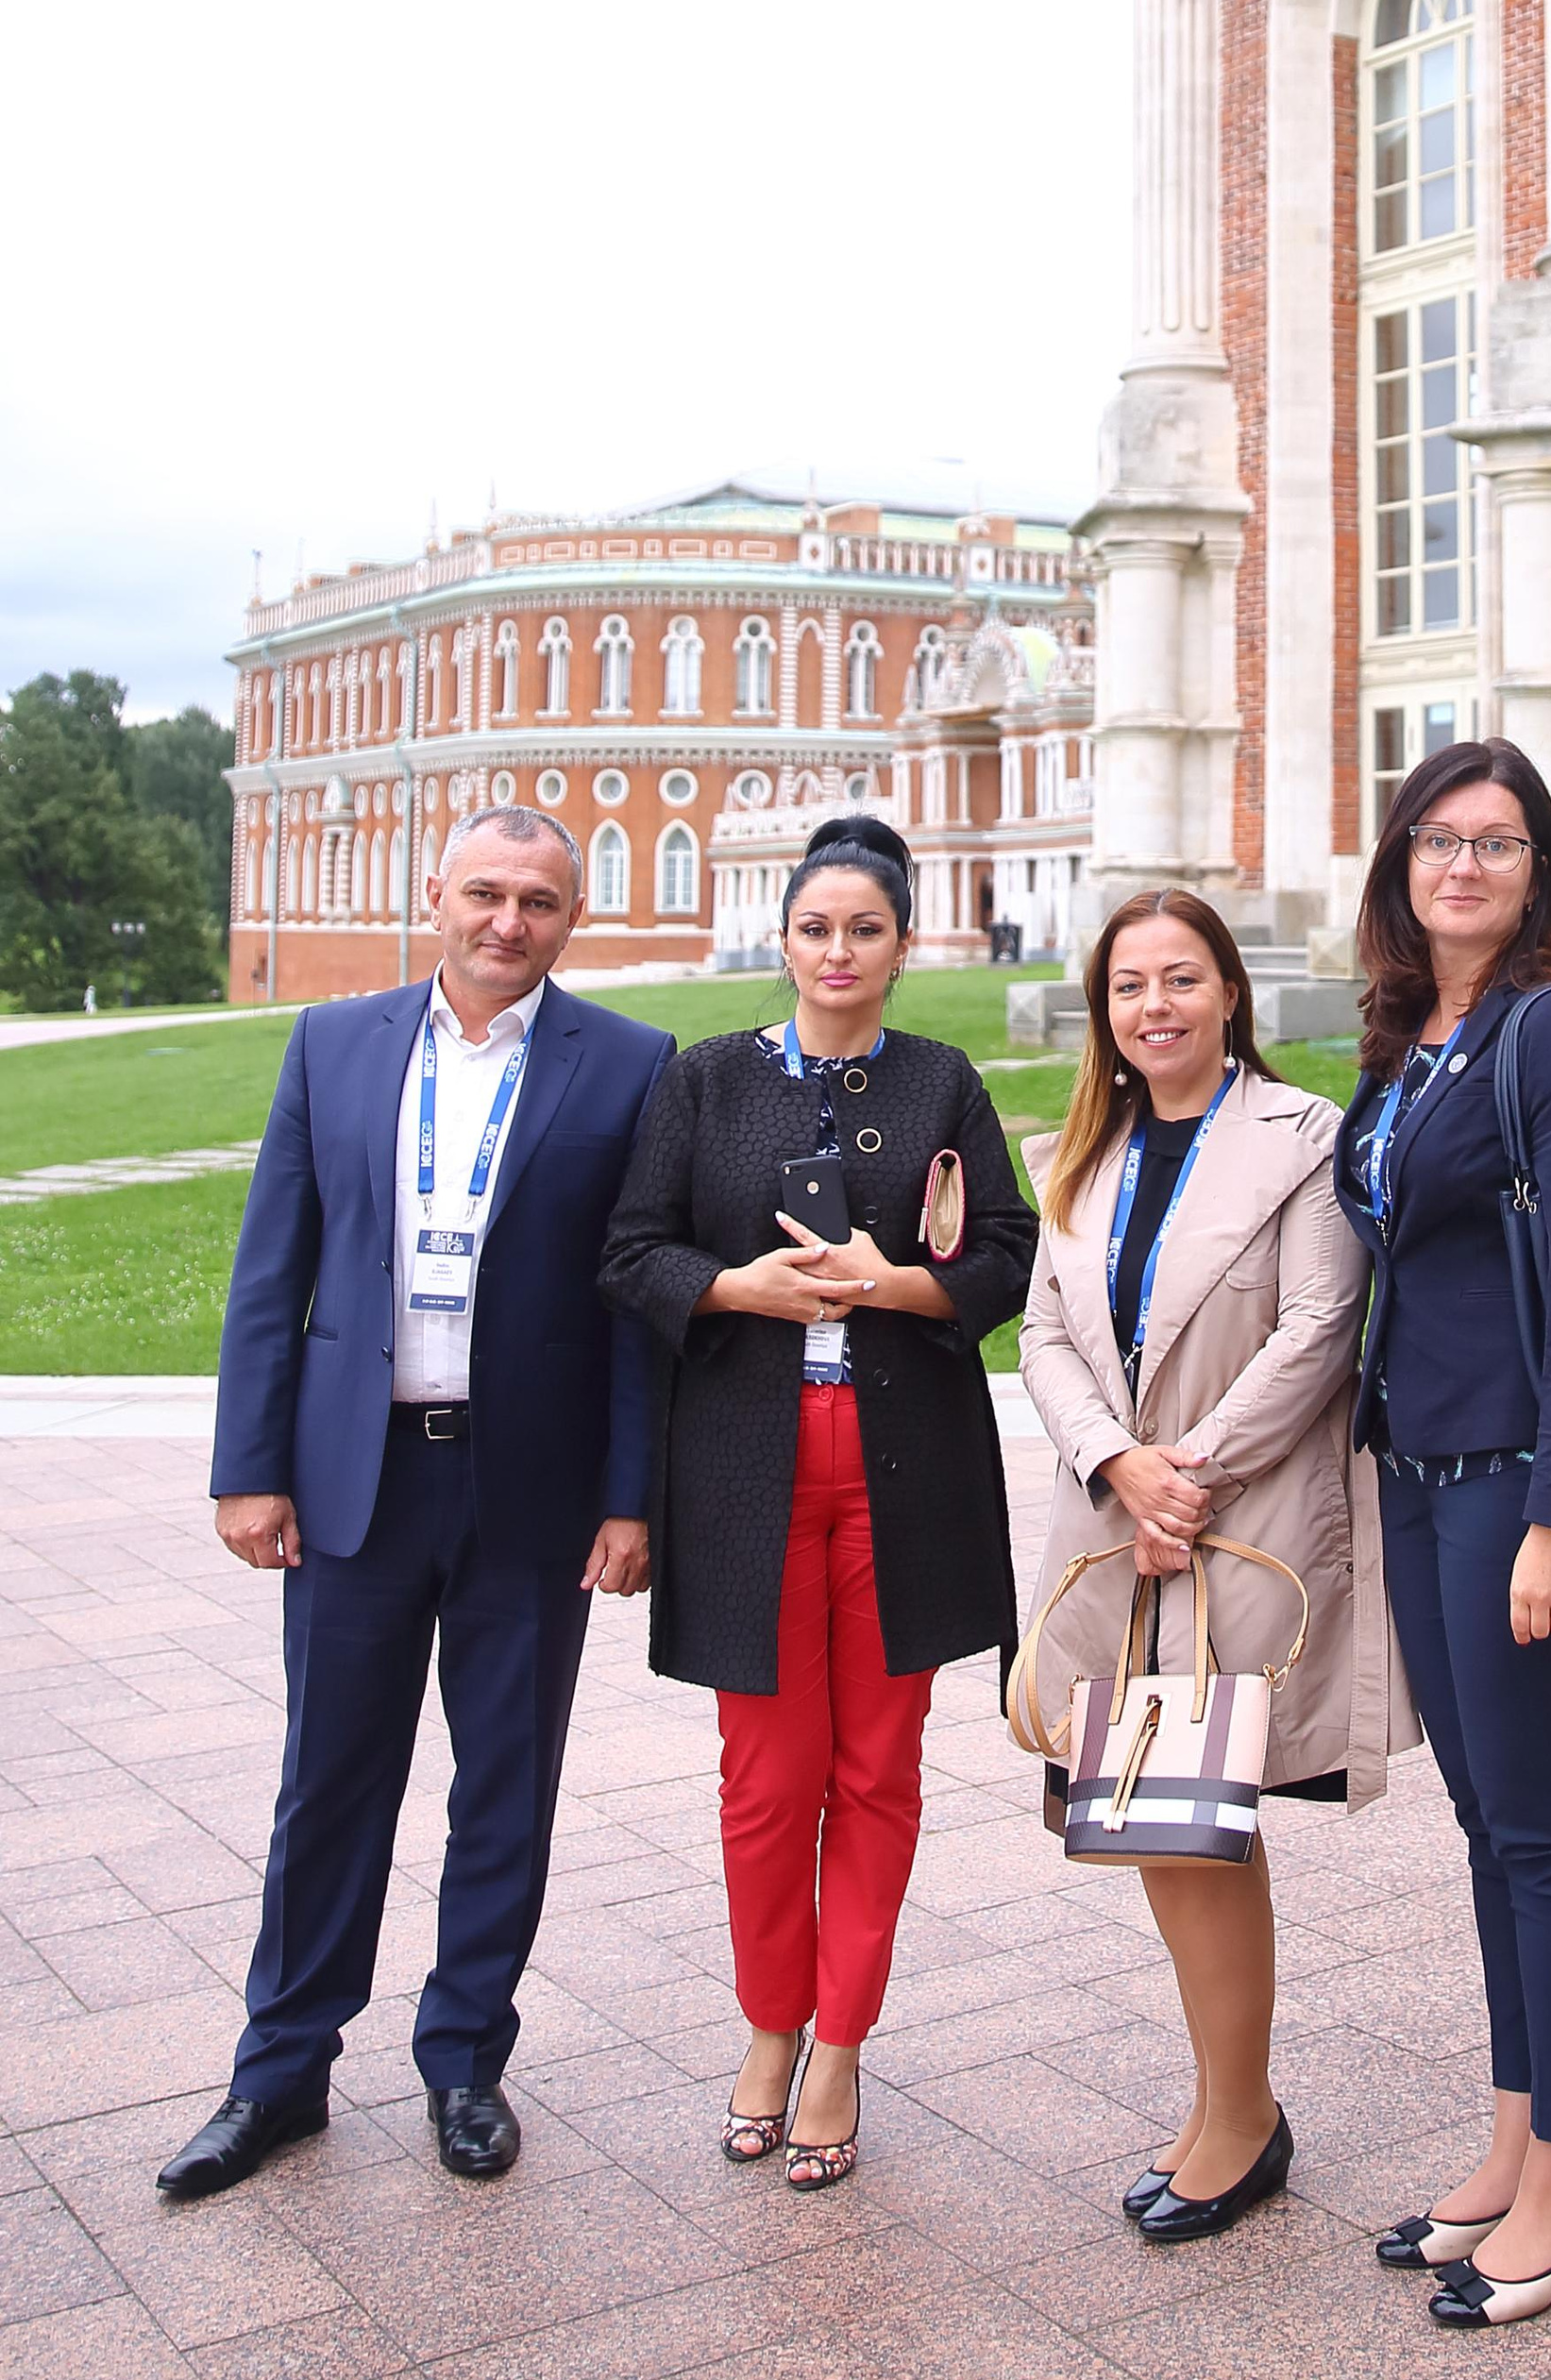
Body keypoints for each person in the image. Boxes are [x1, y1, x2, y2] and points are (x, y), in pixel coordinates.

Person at [158, 808, 670, 2203]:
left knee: (504, 1786)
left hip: (531, 1490)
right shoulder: (333, 1045)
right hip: (355, 1482)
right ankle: (279, 2073)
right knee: (329, 1783)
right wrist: (248, 1466)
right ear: (436, 893)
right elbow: (273, 1270)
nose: (510, 922)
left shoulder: (630, 1064)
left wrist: (629, 1497)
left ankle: (464, 2064)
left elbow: (635, 1306)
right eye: (486, 893)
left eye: (540, 901)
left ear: (574, 917)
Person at [599, 815, 1035, 2186]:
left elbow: (1005, 1254)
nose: (838, 951)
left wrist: (890, 1284)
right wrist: (740, 1288)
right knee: (767, 1777)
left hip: (903, 1471)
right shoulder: (707, 1080)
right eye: (816, 929)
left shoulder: (941, 1082)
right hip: (750, 1468)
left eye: (865, 930)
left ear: (903, 948)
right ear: (783, 941)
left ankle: (840, 2042)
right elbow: (632, 1252)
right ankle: (769, 2026)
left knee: (877, 1771)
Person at [1020, 887, 1410, 2245]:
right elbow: (1043, 1337)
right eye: (1129, 986)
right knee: (1155, 1827)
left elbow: (1321, 1326)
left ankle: (1240, 2119)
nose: (1156, 1008)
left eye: (1181, 979)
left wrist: (1182, 1477)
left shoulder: (1302, 1138)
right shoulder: (1083, 1155)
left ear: (1229, 993)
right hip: (1113, 1529)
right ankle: (1227, 2103)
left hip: (1229, 1527)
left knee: (1199, 1825)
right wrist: (1114, 1465)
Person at [1333, 741, 1551, 2330]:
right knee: (1490, 1826)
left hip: (1522, 1483)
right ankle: (1520, 2141)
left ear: (1541, 875)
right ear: (1401, 864)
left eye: (1499, 843)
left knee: (1549, 1834)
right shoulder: (1412, 1038)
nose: (1464, 866)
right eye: (1438, 840)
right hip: (1420, 1474)